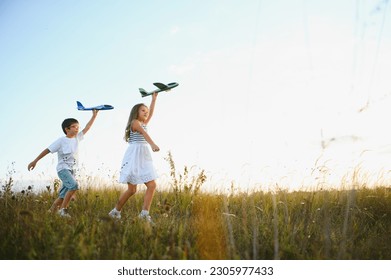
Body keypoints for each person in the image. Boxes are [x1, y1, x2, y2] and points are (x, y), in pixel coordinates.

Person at [28, 110, 99, 217]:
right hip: (63, 169)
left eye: (78, 127)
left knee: (63, 196)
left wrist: (94, 116)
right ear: (67, 129)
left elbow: (87, 127)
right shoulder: (61, 141)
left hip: (72, 170)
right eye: (74, 126)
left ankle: (50, 213)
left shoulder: (77, 138)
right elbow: (47, 150)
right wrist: (35, 161)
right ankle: (63, 210)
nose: (77, 128)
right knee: (74, 186)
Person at [109, 92, 160, 223]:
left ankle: (144, 214)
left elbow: (152, 113)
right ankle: (115, 212)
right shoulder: (135, 123)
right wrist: (153, 144)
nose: (146, 112)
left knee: (152, 185)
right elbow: (144, 133)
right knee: (132, 190)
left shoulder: (144, 122)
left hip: (144, 156)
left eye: (146, 111)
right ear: (136, 112)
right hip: (134, 157)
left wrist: (153, 99)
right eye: (143, 110)